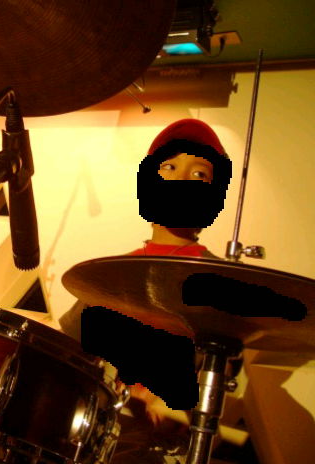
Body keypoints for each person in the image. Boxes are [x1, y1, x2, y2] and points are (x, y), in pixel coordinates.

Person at [60, 118, 233, 463]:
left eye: (199, 174)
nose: (182, 180)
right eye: (169, 167)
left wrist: (178, 403)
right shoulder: (110, 273)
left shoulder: (220, 280)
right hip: (90, 430)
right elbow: (65, 352)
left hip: (152, 448)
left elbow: (216, 391)